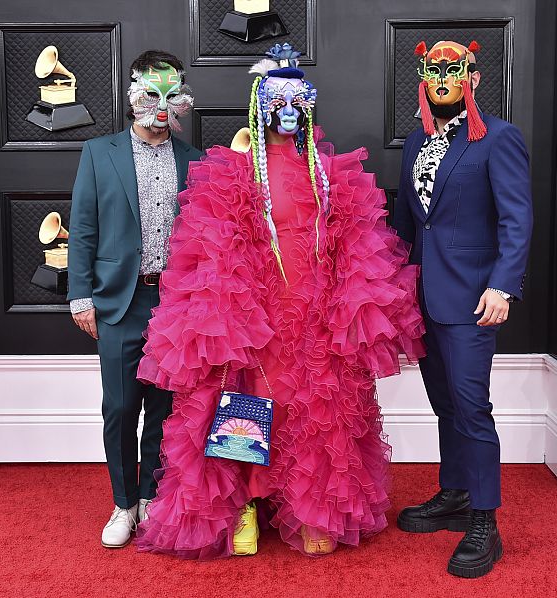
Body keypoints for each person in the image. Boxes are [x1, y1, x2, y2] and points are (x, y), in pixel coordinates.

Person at [134, 43, 425, 558]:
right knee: (246, 399)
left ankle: (313, 505)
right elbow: (212, 243)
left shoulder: (329, 174)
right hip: (257, 309)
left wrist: (346, 303)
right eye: (278, 104)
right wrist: (233, 308)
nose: (288, 113)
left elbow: (353, 243)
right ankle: (244, 503)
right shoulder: (237, 171)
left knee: (313, 408)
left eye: (297, 104)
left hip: (314, 310)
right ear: (262, 109)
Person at [392, 40, 533, 578]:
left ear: (472, 79)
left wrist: (503, 287)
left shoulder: (499, 138)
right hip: (423, 298)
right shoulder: (414, 142)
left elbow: (516, 219)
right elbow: (409, 222)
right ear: (424, 81)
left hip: (474, 297)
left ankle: (484, 520)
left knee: (472, 408)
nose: (443, 79)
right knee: (444, 405)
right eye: (434, 72)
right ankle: (454, 493)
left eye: (454, 71)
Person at [66, 50, 202, 549]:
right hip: (118, 301)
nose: (161, 105)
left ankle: (150, 496)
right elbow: (81, 229)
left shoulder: (195, 160)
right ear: (133, 94)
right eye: (152, 93)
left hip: (176, 304)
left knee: (166, 409)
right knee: (121, 407)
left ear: (183, 98)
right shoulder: (99, 153)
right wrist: (80, 296)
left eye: (172, 94)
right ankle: (123, 503)